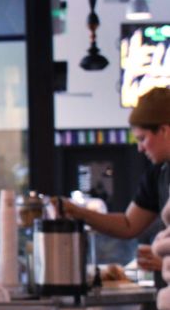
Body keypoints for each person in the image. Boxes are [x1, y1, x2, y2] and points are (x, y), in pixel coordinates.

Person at [59, 86, 170, 278]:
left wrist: (166, 262)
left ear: (164, 130)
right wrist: (76, 211)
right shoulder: (158, 173)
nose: (140, 149)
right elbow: (129, 224)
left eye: (143, 139)